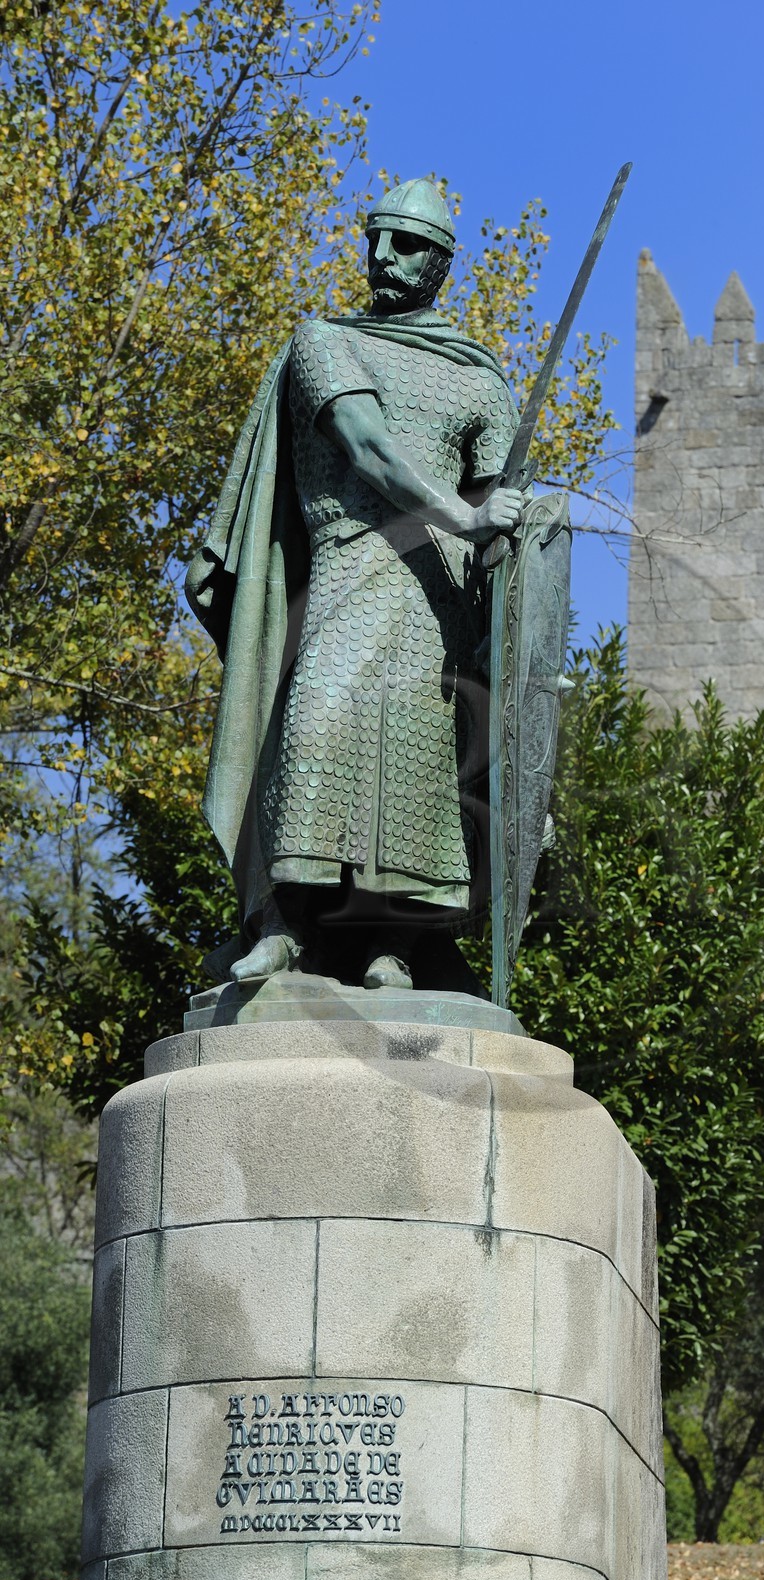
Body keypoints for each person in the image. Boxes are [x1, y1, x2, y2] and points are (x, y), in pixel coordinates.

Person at [186, 179, 524, 991]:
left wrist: (513, 530)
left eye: (406, 244)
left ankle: (396, 943)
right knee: (317, 729)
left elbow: (494, 521)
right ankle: (288, 922)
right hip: (345, 572)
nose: (382, 258)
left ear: (441, 262)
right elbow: (367, 446)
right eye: (375, 238)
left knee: (417, 766)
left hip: (436, 602)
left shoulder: (482, 384)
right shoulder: (325, 341)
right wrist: (466, 516)